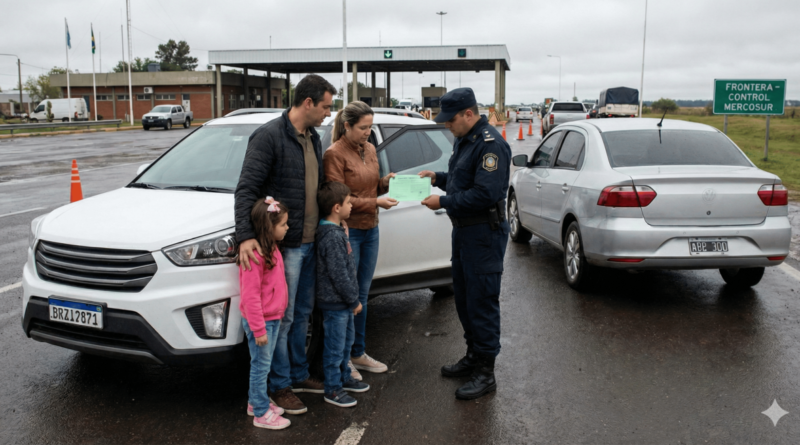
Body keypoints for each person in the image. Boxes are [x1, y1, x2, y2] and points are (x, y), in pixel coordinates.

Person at [235, 74, 337, 414]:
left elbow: (318, 186)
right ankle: (279, 385)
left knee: (303, 314)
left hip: (310, 242)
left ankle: (297, 373)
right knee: (284, 317)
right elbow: (247, 189)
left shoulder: (314, 137)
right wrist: (245, 235)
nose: (328, 114)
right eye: (325, 107)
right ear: (307, 103)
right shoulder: (268, 137)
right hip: (287, 247)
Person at [418, 87, 511, 400]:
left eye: (451, 119)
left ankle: (486, 373)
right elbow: (463, 178)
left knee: (482, 301)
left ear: (469, 114)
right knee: (465, 299)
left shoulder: (491, 145)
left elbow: (484, 194)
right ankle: (473, 356)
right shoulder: (465, 139)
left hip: (484, 232)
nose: (447, 125)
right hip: (464, 232)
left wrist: (442, 200)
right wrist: (438, 177)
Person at [323, 101, 397, 381]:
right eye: (363, 128)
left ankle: (358, 352)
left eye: (370, 127)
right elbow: (337, 199)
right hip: (348, 231)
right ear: (347, 126)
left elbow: (370, 184)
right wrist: (375, 201)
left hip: (371, 228)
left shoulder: (369, 149)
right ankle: (344, 359)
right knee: (348, 297)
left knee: (363, 295)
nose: (369, 132)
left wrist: (385, 183)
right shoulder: (334, 154)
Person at [315, 182, 371, 407]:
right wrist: (353, 300)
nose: (351, 206)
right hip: (336, 304)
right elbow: (338, 274)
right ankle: (333, 389)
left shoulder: (337, 231)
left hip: (343, 304)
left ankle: (344, 378)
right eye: (349, 203)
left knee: (346, 343)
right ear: (336, 207)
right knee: (335, 347)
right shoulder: (331, 237)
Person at [239, 197, 291, 430]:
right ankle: (260, 412)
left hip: (272, 318)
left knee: (263, 365)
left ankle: (255, 402)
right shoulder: (255, 257)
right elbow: (250, 297)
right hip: (261, 323)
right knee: (261, 366)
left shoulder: (273, 249)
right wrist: (258, 329)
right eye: (283, 224)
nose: (287, 228)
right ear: (269, 227)